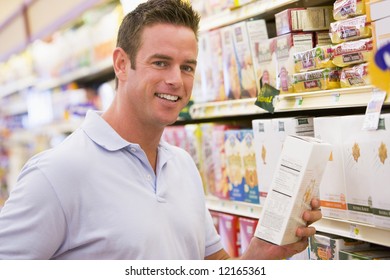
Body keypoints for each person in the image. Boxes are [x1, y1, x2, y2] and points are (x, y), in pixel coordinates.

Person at [0, 0, 322, 260]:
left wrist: (263, 253)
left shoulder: (182, 166)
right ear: (122, 64)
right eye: (160, 63)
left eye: (187, 67)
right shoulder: (56, 173)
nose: (176, 80)